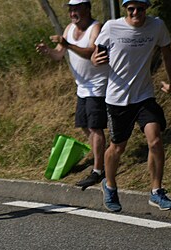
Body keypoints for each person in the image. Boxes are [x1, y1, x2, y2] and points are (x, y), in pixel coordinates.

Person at [92, 0, 171, 212]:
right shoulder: (112, 27)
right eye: (131, 9)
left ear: (146, 9)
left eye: (140, 8)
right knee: (118, 147)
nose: (136, 13)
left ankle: (156, 192)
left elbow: (167, 54)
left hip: (144, 96)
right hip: (117, 99)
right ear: (125, 9)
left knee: (156, 140)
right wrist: (95, 60)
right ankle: (110, 185)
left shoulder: (157, 26)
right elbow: (95, 55)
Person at [36, 0, 108, 190]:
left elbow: (91, 52)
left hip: (97, 86)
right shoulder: (69, 28)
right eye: (70, 9)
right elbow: (59, 55)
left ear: (87, 8)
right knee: (84, 125)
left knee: (95, 128)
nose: (72, 13)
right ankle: (103, 157)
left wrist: (67, 44)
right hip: (81, 87)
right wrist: (48, 51)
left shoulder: (96, 27)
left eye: (76, 9)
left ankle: (99, 170)